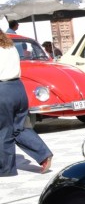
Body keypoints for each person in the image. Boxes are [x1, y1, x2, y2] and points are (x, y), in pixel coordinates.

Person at [0, 31, 53, 176]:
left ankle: (6, 170)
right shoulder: (10, 47)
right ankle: (43, 154)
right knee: (20, 128)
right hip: (18, 88)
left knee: (4, 131)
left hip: (2, 90)